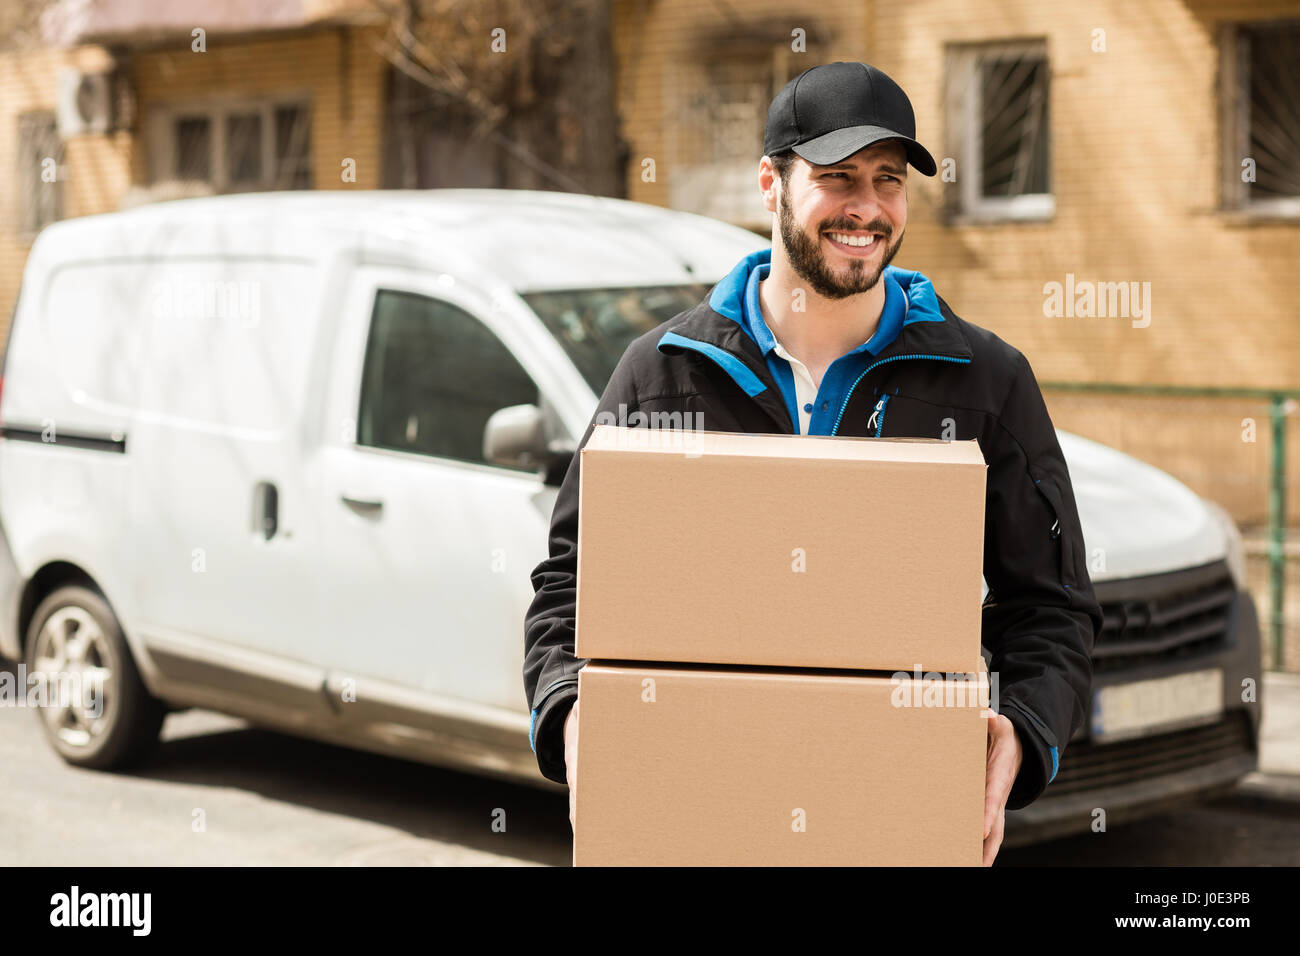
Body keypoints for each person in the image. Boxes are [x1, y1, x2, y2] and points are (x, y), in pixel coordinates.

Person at [523, 60, 1102, 866]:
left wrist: (1026, 726)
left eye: (889, 180)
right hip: (698, 814)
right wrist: (570, 711)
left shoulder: (985, 383)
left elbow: (1052, 607)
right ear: (770, 183)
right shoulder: (664, 374)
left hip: (889, 817)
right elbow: (572, 581)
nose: (867, 207)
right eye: (838, 178)